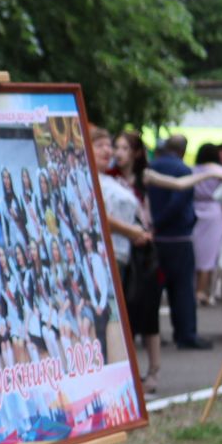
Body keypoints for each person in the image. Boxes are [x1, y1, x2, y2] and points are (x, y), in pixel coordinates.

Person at [94, 126, 160, 391]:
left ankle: (127, 376)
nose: (109, 151)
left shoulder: (115, 180)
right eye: (102, 145)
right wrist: (132, 231)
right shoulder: (92, 179)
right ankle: (112, 379)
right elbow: (99, 213)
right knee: (109, 317)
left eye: (111, 145)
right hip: (105, 257)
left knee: (126, 316)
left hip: (127, 256)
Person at [146, 136, 212, 350]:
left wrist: (152, 225)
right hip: (177, 237)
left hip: (152, 238)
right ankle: (185, 334)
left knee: (152, 289)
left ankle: (148, 333)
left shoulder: (150, 167)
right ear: (183, 150)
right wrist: (160, 222)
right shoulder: (183, 170)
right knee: (182, 289)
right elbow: (178, 204)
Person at [190, 142, 222, 307]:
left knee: (194, 252)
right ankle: (203, 291)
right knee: (209, 255)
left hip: (195, 208)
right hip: (214, 212)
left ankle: (194, 290)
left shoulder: (192, 170)